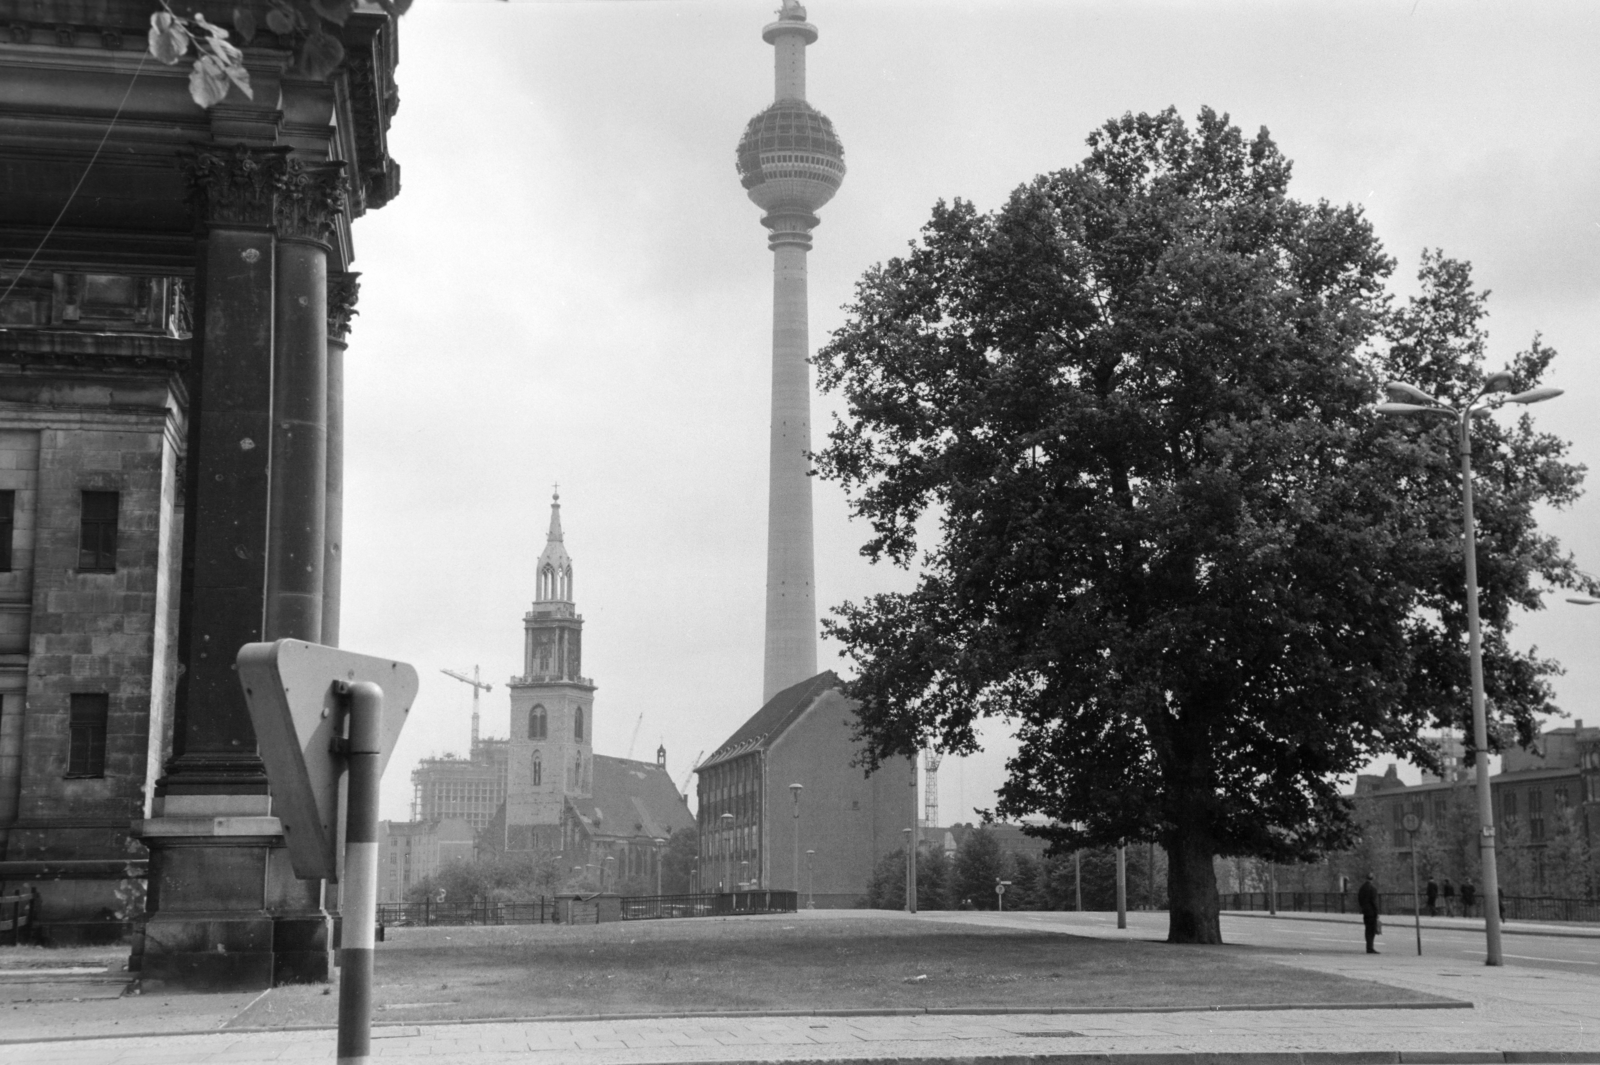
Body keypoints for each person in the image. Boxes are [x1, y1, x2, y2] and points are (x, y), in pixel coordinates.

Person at [1358, 872, 1381, 954]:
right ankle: (1370, 948)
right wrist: (1377, 912)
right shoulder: (1373, 888)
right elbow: (1374, 902)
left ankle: (1369, 947)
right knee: (1371, 931)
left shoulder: (1362, 888)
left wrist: (1363, 907)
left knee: (1367, 930)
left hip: (1365, 911)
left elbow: (1359, 899)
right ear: (1373, 878)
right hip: (1371, 912)